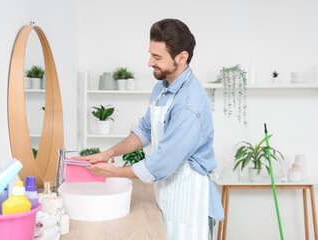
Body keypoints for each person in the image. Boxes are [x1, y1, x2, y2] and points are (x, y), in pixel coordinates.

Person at [75, 18, 224, 239]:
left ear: (182, 57)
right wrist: (109, 153)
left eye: (157, 57)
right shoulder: (162, 88)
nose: (149, 62)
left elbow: (163, 162)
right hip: (168, 192)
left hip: (190, 200)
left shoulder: (189, 104)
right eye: (150, 54)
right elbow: (144, 131)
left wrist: (116, 173)